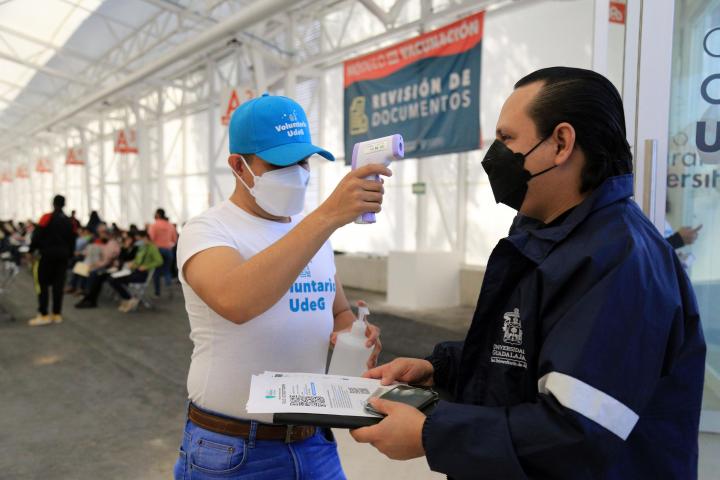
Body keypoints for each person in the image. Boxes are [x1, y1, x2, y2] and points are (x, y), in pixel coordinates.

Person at [351, 67, 706, 479]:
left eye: (506, 139)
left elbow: (576, 431)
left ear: (561, 142)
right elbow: (524, 355)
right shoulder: (546, 232)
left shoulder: (619, 261)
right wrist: (441, 368)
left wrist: (433, 434)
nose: (493, 156)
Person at [172, 93, 388, 480]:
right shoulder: (207, 230)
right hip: (232, 449)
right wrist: (326, 216)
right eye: (280, 162)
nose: (298, 171)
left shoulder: (314, 231)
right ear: (239, 166)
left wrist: (351, 335)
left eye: (303, 160)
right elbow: (236, 300)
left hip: (314, 440)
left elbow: (336, 309)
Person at [28, 195, 76, 326]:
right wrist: (69, 255)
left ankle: (44, 314)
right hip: (63, 257)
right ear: (64, 204)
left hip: (47, 256)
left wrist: (31, 251)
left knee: (42, 285)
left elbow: (37, 235)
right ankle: (56, 314)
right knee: (58, 285)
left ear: (53, 204)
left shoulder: (46, 217)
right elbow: (73, 240)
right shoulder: (69, 221)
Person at [107, 230, 162, 312]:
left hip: (142, 274)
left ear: (145, 238)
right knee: (112, 278)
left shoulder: (152, 248)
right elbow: (138, 260)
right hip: (134, 271)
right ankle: (129, 298)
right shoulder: (142, 248)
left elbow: (159, 261)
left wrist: (146, 266)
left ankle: (129, 299)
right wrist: (133, 263)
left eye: (139, 239)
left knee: (115, 280)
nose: (137, 241)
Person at [148, 207, 178, 297]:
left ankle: (157, 293)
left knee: (156, 272)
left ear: (157, 214)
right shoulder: (170, 225)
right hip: (168, 251)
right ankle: (169, 290)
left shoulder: (154, 225)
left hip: (157, 251)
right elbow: (174, 239)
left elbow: (150, 238)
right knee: (167, 270)